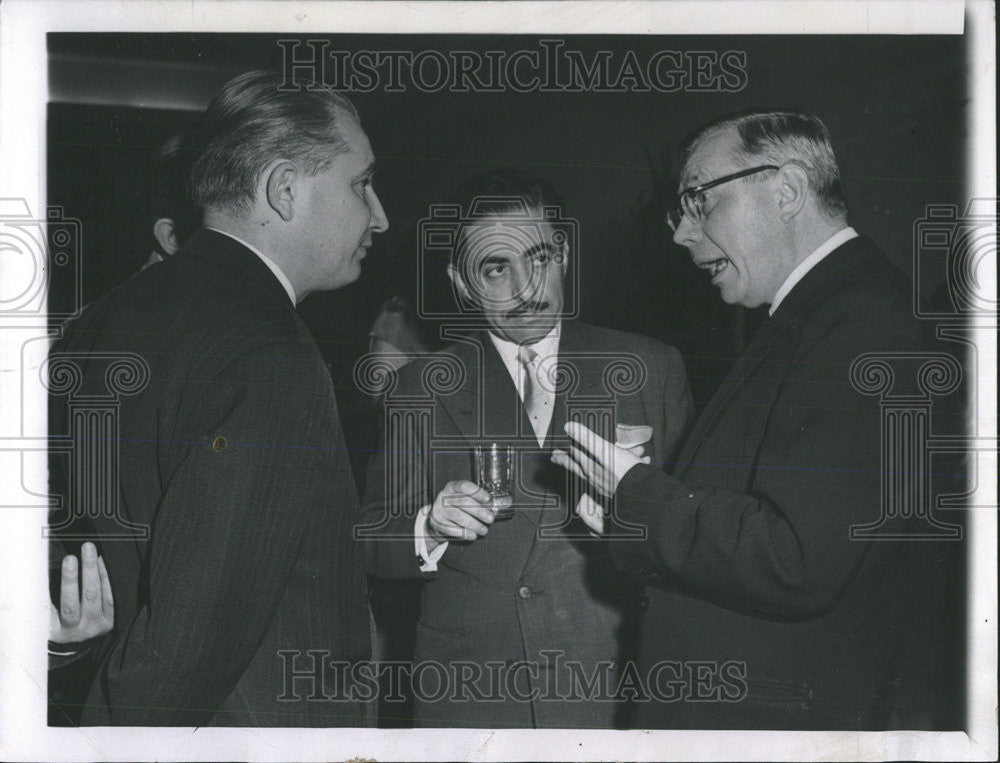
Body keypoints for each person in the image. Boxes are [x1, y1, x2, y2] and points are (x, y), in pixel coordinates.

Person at [554, 110, 961, 729]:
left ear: (788, 189)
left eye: (699, 200)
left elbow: (796, 559)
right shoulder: (819, 315)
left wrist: (636, 496)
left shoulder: (862, 322)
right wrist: (625, 519)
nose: (681, 235)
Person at [48, 69, 388, 726]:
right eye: (363, 183)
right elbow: (189, 650)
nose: (380, 215)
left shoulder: (100, 319)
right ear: (284, 190)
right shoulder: (271, 352)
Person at [361, 169, 694, 729]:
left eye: (538, 258)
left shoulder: (650, 367)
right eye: (496, 268)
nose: (525, 287)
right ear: (461, 283)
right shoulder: (419, 387)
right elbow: (367, 541)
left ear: (562, 254)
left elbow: (701, 532)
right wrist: (429, 528)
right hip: (470, 694)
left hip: (613, 683)